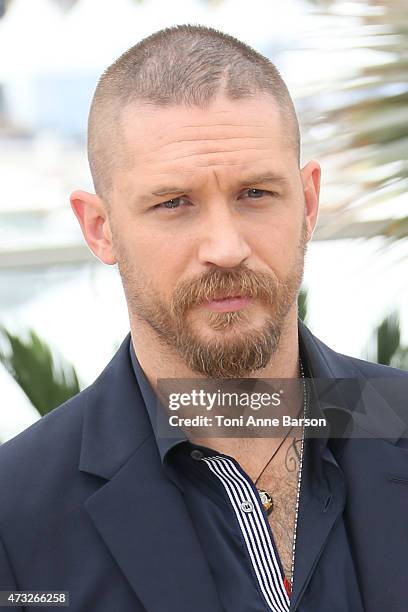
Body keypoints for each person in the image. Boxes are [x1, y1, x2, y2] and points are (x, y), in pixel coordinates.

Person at [0, 24, 407, 612]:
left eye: (255, 194)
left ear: (309, 202)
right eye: (174, 203)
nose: (225, 246)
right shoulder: (16, 515)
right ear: (100, 227)